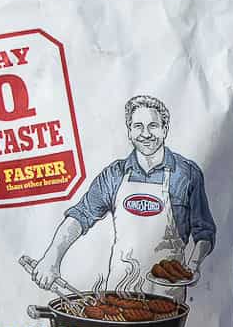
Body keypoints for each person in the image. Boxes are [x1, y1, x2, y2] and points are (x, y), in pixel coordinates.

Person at [32, 95, 215, 295]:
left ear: (165, 129)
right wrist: (52, 258)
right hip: (118, 291)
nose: (146, 134)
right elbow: (80, 215)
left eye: (153, 126)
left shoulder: (187, 174)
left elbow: (204, 231)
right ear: (129, 131)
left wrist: (194, 264)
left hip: (168, 293)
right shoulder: (114, 174)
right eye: (138, 126)